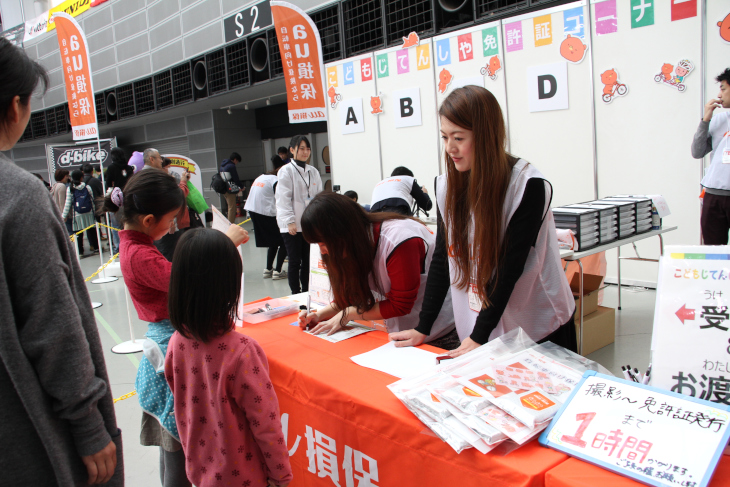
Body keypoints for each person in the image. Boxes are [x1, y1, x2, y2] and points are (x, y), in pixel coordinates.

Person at [0, 35, 123, 486]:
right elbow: (52, 324)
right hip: (25, 433)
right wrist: (88, 424)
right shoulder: (17, 196)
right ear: (15, 107)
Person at [390, 86, 577, 356]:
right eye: (444, 137)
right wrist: (424, 327)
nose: (450, 148)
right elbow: (443, 258)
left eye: (458, 138)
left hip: (538, 324)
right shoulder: (446, 186)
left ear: (486, 136)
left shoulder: (526, 186)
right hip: (484, 325)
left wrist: (479, 335)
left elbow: (509, 269)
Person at [97, 169, 248, 487]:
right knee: (180, 443)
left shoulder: (135, 245)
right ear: (149, 221)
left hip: (168, 342)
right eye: (171, 220)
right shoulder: (139, 255)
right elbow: (186, 277)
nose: (174, 226)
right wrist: (225, 243)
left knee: (175, 447)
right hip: (169, 350)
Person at [165, 228, 293, 487]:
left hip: (200, 469)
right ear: (229, 283)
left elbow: (181, 400)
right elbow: (266, 424)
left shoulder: (176, 342)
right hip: (245, 477)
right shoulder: (243, 351)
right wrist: (281, 476)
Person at [297, 192, 457, 347]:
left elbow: (400, 305)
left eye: (323, 244)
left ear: (343, 233)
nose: (323, 251)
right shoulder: (353, 246)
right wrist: (318, 315)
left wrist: (349, 314)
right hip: (404, 332)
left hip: (439, 332)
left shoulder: (399, 240)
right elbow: (349, 298)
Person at [275, 135, 323, 294]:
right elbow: (283, 199)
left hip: (309, 224)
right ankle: (295, 293)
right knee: (295, 261)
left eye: (307, 149)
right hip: (292, 224)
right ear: (292, 150)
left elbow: (318, 197)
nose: (305, 152)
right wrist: (289, 221)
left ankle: (307, 292)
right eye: (301, 148)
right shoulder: (286, 171)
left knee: (309, 261)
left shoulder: (313, 171)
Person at [692, 68, 730, 244]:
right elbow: (697, 152)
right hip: (713, 194)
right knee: (713, 251)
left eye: (723, 88)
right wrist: (705, 120)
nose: (719, 94)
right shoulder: (719, 120)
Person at [245, 155, 288, 280]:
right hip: (264, 213)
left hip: (253, 211)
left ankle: (268, 269)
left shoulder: (263, 177)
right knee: (285, 239)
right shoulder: (275, 180)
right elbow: (281, 199)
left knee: (274, 240)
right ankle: (278, 271)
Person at [154, 157, 192, 262]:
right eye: (167, 166)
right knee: (171, 254)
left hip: (165, 225)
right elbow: (178, 196)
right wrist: (183, 181)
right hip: (168, 226)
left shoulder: (155, 181)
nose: (169, 169)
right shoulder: (162, 182)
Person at [104, 147, 135, 253]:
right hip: (129, 198)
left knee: (116, 225)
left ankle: (118, 248)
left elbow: (108, 184)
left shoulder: (111, 168)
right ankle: (130, 244)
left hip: (116, 198)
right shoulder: (129, 167)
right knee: (128, 223)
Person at [62, 169, 98, 256]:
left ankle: (80, 252)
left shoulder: (70, 188)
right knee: (92, 231)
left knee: (78, 233)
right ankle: (96, 248)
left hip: (77, 215)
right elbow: (92, 201)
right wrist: (94, 212)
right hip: (89, 213)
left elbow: (68, 203)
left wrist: (63, 216)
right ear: (81, 177)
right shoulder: (87, 187)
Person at [220, 152, 244, 223]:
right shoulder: (231, 166)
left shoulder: (222, 166)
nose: (236, 163)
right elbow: (235, 178)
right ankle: (230, 224)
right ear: (235, 159)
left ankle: (229, 223)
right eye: (237, 161)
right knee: (232, 208)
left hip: (224, 188)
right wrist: (241, 186)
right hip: (230, 189)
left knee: (229, 206)